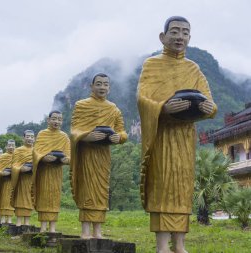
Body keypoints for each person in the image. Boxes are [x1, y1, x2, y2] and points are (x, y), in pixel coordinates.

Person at [137, 16, 216, 253]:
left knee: (182, 186)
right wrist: (162, 107)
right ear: (163, 37)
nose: (179, 37)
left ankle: (180, 244)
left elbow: (211, 103)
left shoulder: (193, 68)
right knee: (163, 186)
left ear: (189, 38)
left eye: (185, 32)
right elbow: (143, 98)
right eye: (174, 32)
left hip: (184, 137)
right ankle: (162, 245)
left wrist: (208, 109)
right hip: (161, 136)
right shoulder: (152, 65)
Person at [70, 73, 127, 239]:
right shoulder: (81, 105)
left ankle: (98, 231)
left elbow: (122, 130)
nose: (102, 87)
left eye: (106, 84)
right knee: (88, 188)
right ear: (92, 86)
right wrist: (87, 136)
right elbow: (74, 130)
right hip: (87, 155)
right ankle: (85, 231)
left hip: (103, 155)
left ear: (109, 87)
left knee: (102, 190)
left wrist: (120, 137)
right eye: (99, 84)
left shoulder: (113, 108)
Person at [32, 110, 70, 232]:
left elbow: (69, 155)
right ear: (48, 120)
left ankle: (52, 227)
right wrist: (43, 157)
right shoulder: (42, 134)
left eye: (59, 119)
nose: (56, 121)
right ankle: (43, 227)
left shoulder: (64, 136)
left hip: (56, 172)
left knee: (55, 197)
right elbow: (36, 151)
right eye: (54, 119)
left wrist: (66, 159)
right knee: (44, 196)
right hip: (44, 171)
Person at [11, 130, 36, 226]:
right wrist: (21, 168)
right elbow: (14, 165)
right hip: (21, 179)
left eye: (32, 137)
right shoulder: (18, 150)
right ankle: (18, 223)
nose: (30, 139)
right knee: (20, 199)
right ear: (23, 138)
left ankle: (27, 223)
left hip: (32, 179)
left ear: (34, 139)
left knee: (30, 199)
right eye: (28, 136)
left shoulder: (37, 150)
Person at [0, 140, 16, 224]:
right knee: (5, 199)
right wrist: (2, 173)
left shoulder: (17, 155)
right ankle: (3, 218)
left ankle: (9, 218)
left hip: (13, 181)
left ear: (15, 146)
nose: (11, 147)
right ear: (6, 146)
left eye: (13, 145)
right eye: (9, 145)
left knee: (12, 199)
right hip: (4, 182)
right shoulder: (2, 157)